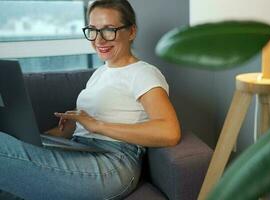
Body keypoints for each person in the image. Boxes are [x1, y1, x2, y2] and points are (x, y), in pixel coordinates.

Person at [0, 0, 181, 199]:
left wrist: (98, 125)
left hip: (112, 163)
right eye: (93, 30)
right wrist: (32, 140)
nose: (99, 40)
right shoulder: (100, 74)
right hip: (79, 149)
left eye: (108, 30)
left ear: (131, 32)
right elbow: (81, 128)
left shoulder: (143, 73)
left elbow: (169, 131)